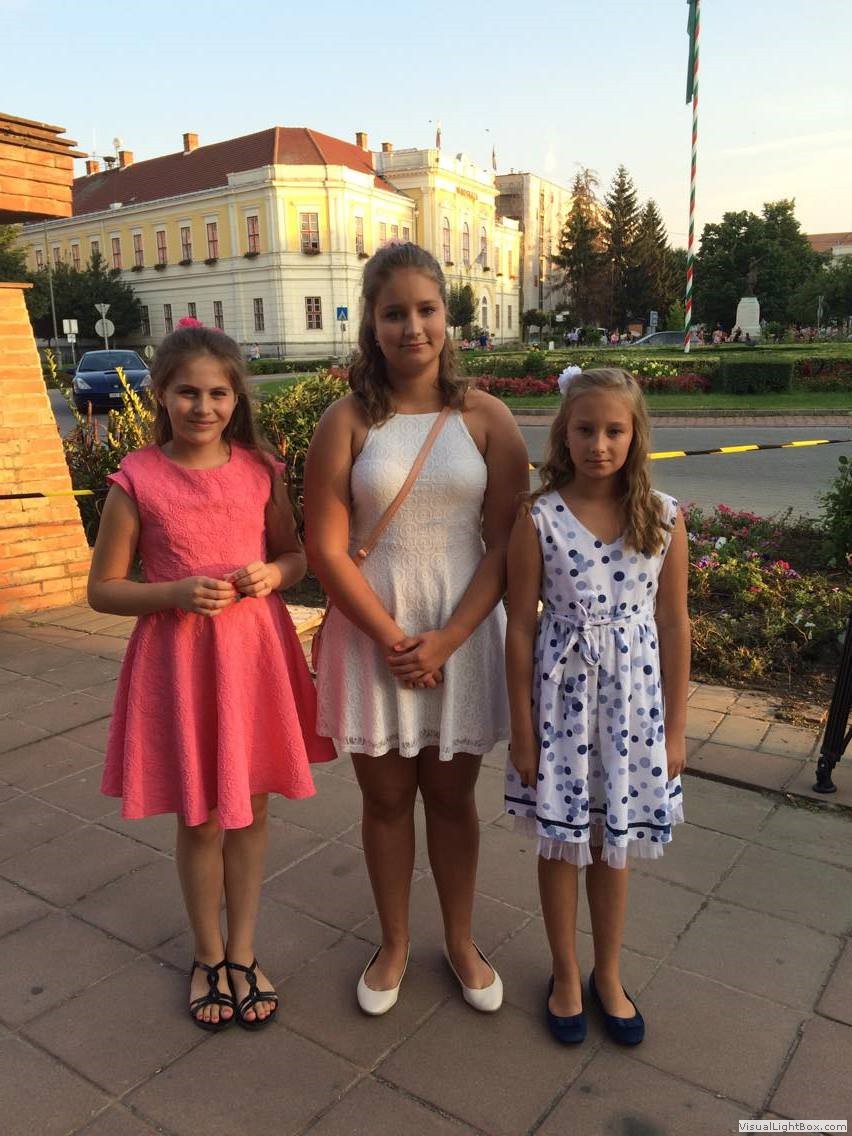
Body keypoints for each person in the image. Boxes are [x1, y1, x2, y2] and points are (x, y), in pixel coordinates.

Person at [88, 325, 335, 1032]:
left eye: (218, 393)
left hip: (252, 657)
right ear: (161, 395)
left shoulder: (260, 471)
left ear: (236, 398)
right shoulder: (137, 480)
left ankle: (243, 951)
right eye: (188, 393)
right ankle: (207, 954)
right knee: (199, 817)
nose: (204, 407)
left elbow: (295, 556)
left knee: (251, 808)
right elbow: (103, 589)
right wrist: (171, 591)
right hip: (181, 662)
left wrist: (273, 574)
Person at [304, 242, 529, 1016]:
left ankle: (460, 941)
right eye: (394, 313)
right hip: (373, 636)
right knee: (387, 800)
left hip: (463, 631)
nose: (412, 327)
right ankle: (395, 942)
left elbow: (506, 545)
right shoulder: (346, 420)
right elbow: (325, 548)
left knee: (455, 799)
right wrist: (393, 639)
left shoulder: (487, 419)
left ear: (446, 316)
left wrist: (449, 638)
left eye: (426, 310)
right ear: (372, 322)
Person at [503, 365, 689, 1047]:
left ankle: (608, 973)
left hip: (632, 713)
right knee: (561, 845)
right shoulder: (538, 516)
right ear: (565, 433)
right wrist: (522, 731)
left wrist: (676, 730)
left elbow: (674, 624)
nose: (599, 444)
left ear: (636, 435)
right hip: (560, 710)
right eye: (585, 429)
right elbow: (520, 628)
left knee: (615, 846)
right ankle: (564, 972)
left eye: (614, 430)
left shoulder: (662, 516)